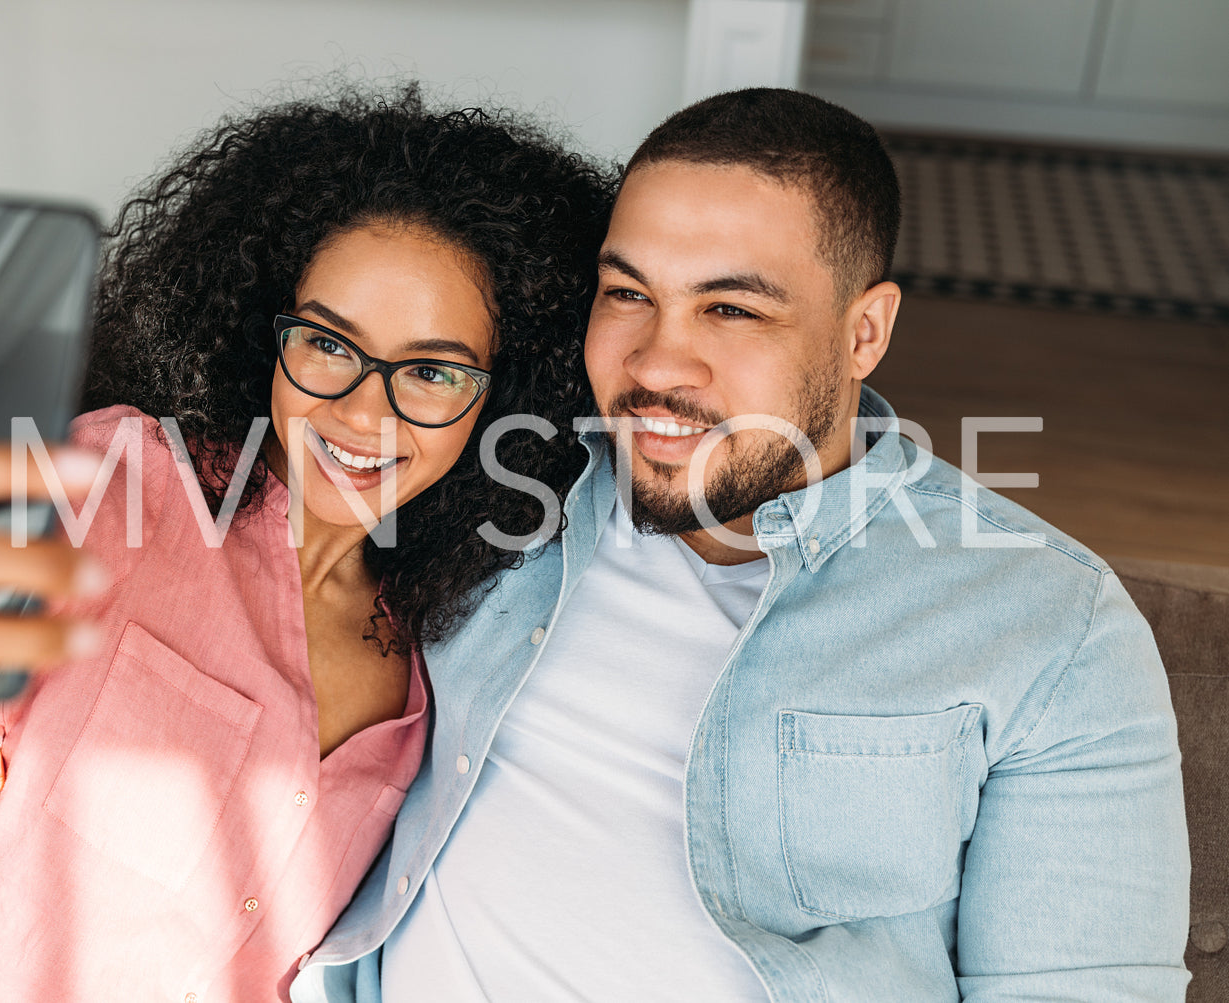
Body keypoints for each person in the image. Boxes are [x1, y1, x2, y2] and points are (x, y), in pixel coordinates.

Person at [276, 89, 1187, 1001]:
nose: (656, 364)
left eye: (732, 311)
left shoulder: (1049, 623)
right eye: (627, 294)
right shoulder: (495, 488)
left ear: (863, 331)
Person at [0, 87, 612, 1000]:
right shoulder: (126, 480)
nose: (360, 409)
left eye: (429, 370)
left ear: (499, 401)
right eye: (326, 342)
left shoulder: (438, 669)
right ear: (264, 333)